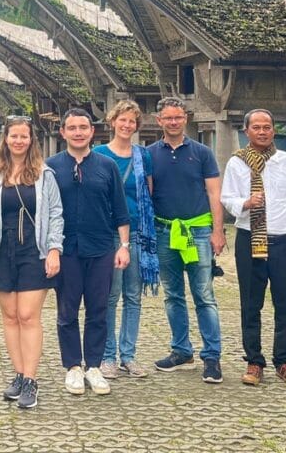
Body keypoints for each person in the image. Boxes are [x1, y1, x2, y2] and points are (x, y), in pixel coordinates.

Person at [0, 115, 63, 409]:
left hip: (34, 252)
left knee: (28, 315)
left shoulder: (44, 174)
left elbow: (55, 214)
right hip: (4, 251)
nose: (18, 141)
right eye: (13, 136)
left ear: (31, 140)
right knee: (10, 316)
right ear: (5, 139)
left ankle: (31, 379)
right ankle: (17, 374)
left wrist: (54, 249)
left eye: (23, 136)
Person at [221, 109, 286, 388]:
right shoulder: (237, 163)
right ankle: (254, 361)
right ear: (246, 131)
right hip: (249, 239)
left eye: (267, 127)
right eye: (256, 127)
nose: (262, 131)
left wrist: (285, 222)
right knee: (251, 303)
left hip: (284, 241)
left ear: (274, 130)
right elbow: (227, 197)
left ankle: (285, 361)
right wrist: (245, 204)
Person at [46, 107, 130, 396]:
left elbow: (120, 210)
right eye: (72, 128)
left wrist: (124, 246)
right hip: (65, 249)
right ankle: (72, 366)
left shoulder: (106, 166)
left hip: (100, 248)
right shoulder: (51, 166)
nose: (78, 132)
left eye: (83, 127)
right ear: (63, 132)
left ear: (92, 132)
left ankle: (93, 365)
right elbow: (43, 211)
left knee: (98, 308)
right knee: (67, 310)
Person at [148, 97, 226, 383]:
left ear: (186, 119)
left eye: (178, 117)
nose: (173, 122)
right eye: (167, 118)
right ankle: (182, 350)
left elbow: (214, 194)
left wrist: (218, 231)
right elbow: (149, 195)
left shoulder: (203, 153)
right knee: (172, 294)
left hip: (198, 231)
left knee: (204, 294)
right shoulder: (150, 154)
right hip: (164, 230)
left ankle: (212, 355)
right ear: (159, 121)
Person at [92, 99, 158, 380]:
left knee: (134, 296)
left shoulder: (143, 156)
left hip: (137, 232)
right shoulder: (98, 155)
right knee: (110, 295)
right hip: (107, 233)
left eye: (132, 121)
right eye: (123, 120)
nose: (127, 125)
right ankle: (107, 356)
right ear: (112, 122)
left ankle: (128, 355)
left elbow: (148, 192)